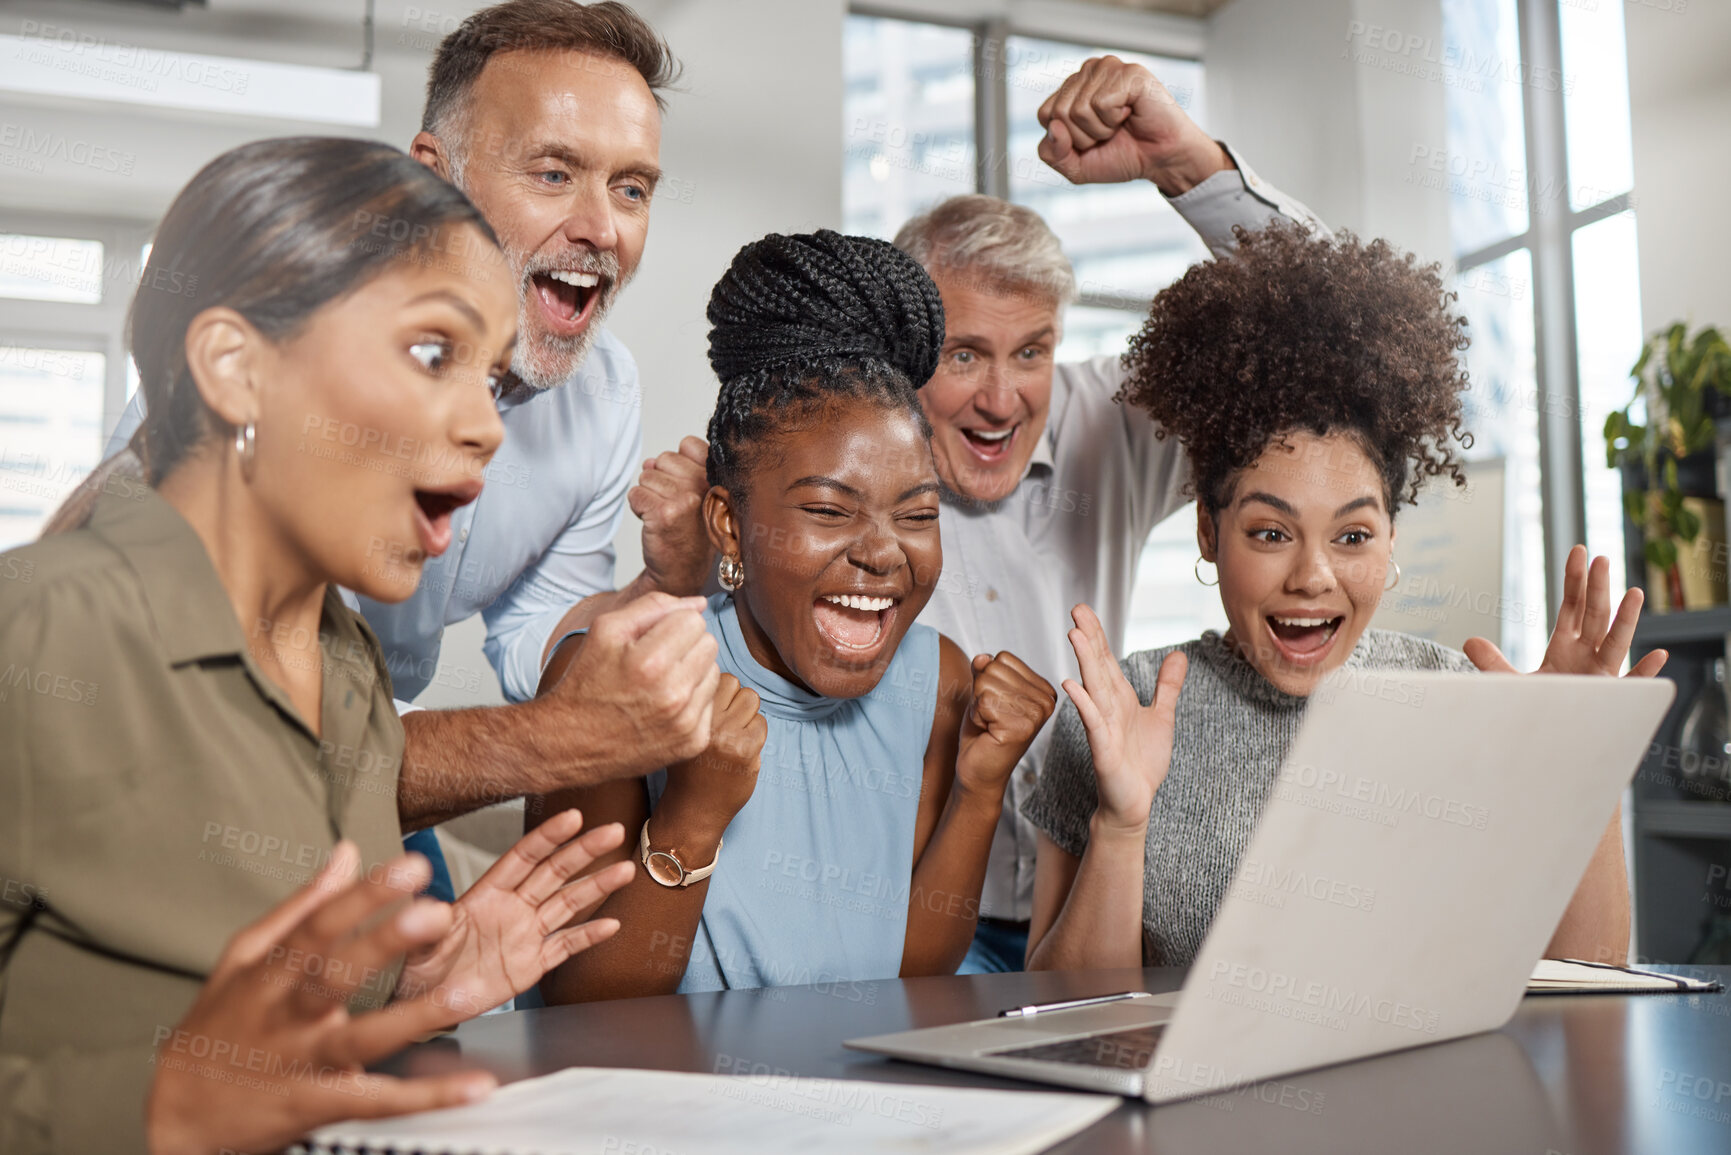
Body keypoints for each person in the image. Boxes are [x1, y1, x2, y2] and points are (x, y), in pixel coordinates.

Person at [0, 137, 633, 1154]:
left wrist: (411, 994)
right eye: (435, 354)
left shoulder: (347, 674)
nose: (486, 427)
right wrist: (151, 1107)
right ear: (236, 369)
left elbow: (249, 1056)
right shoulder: (37, 636)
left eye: (490, 372)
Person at [101, 0, 723, 852]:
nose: (602, 228)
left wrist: (666, 584)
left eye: (630, 188)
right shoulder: (282, 351)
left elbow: (541, 631)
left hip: (373, 742)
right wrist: (568, 735)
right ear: (434, 175)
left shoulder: (602, 390)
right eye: (552, 173)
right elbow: (208, 739)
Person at [1019, 221, 1666, 972]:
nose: (1312, 576)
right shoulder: (1121, 709)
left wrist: (1574, 769)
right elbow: (1066, 1015)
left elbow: (1587, 982)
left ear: (1391, 536)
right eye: (1269, 533)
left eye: (1352, 536)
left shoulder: (1457, 697)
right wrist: (1123, 823)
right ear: (1207, 529)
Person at [887, 56, 1334, 973]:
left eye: (1031, 351)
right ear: (903, 350)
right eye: (963, 355)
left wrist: (1185, 164)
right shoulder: (850, 458)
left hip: (1082, 896)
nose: (1002, 399)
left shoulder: (1109, 418)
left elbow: (1324, 324)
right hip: (904, 917)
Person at [532, 231, 1057, 999]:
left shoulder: (936, 679)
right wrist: (693, 815)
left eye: (915, 514)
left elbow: (909, 974)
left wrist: (981, 789)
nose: (882, 555)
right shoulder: (613, 672)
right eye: (827, 509)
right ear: (727, 523)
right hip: (660, 1112)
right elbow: (582, 1005)